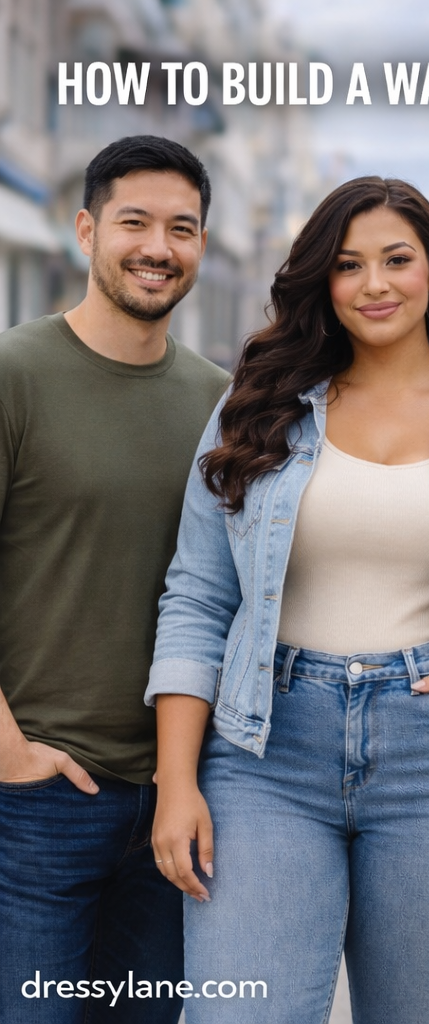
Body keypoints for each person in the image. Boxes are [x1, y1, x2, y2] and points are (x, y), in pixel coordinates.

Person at [145, 175, 429, 1024]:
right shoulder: (256, 409)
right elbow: (198, 598)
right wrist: (177, 781)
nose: (374, 284)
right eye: (349, 265)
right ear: (323, 282)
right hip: (265, 752)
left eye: (396, 260)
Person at [0, 136, 229, 1024]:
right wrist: (10, 752)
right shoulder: (16, 373)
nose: (158, 247)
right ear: (86, 229)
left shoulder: (220, 401)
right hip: (37, 802)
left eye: (183, 228)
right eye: (134, 222)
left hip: (178, 803)